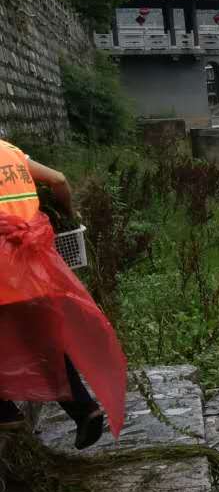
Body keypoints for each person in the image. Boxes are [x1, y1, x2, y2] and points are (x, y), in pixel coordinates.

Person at [0, 138, 126, 447]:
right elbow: (58, 179)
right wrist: (69, 213)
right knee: (43, 340)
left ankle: (6, 413)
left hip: (3, 270)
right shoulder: (11, 151)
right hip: (32, 264)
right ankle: (85, 411)